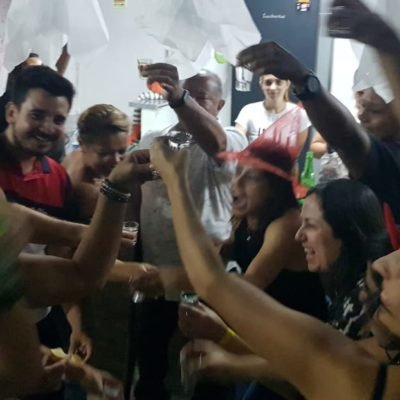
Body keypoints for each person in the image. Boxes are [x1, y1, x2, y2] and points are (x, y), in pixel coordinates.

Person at [149, 138, 400, 400]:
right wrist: (225, 339)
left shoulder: (359, 308)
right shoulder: (351, 296)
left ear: (347, 233)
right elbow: (307, 371)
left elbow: (217, 282)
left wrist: (175, 178)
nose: (299, 235)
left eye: (311, 225)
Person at [230, 0, 400, 234]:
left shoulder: (389, 163)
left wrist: (304, 80)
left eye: (376, 111)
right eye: (360, 106)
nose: (363, 116)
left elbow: (348, 139)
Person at [132, 66, 248, 400]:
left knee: (208, 368)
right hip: (156, 272)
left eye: (200, 98)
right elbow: (134, 190)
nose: (191, 104)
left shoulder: (231, 138)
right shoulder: (155, 139)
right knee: (150, 365)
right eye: (188, 95)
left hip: (204, 278)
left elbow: (217, 143)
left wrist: (180, 98)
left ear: (219, 105)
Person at [235, 74, 310, 157]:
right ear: (261, 84)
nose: (273, 87)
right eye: (268, 83)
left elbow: (295, 152)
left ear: (287, 84)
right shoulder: (248, 111)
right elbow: (237, 141)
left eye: (278, 82)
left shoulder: (300, 114)